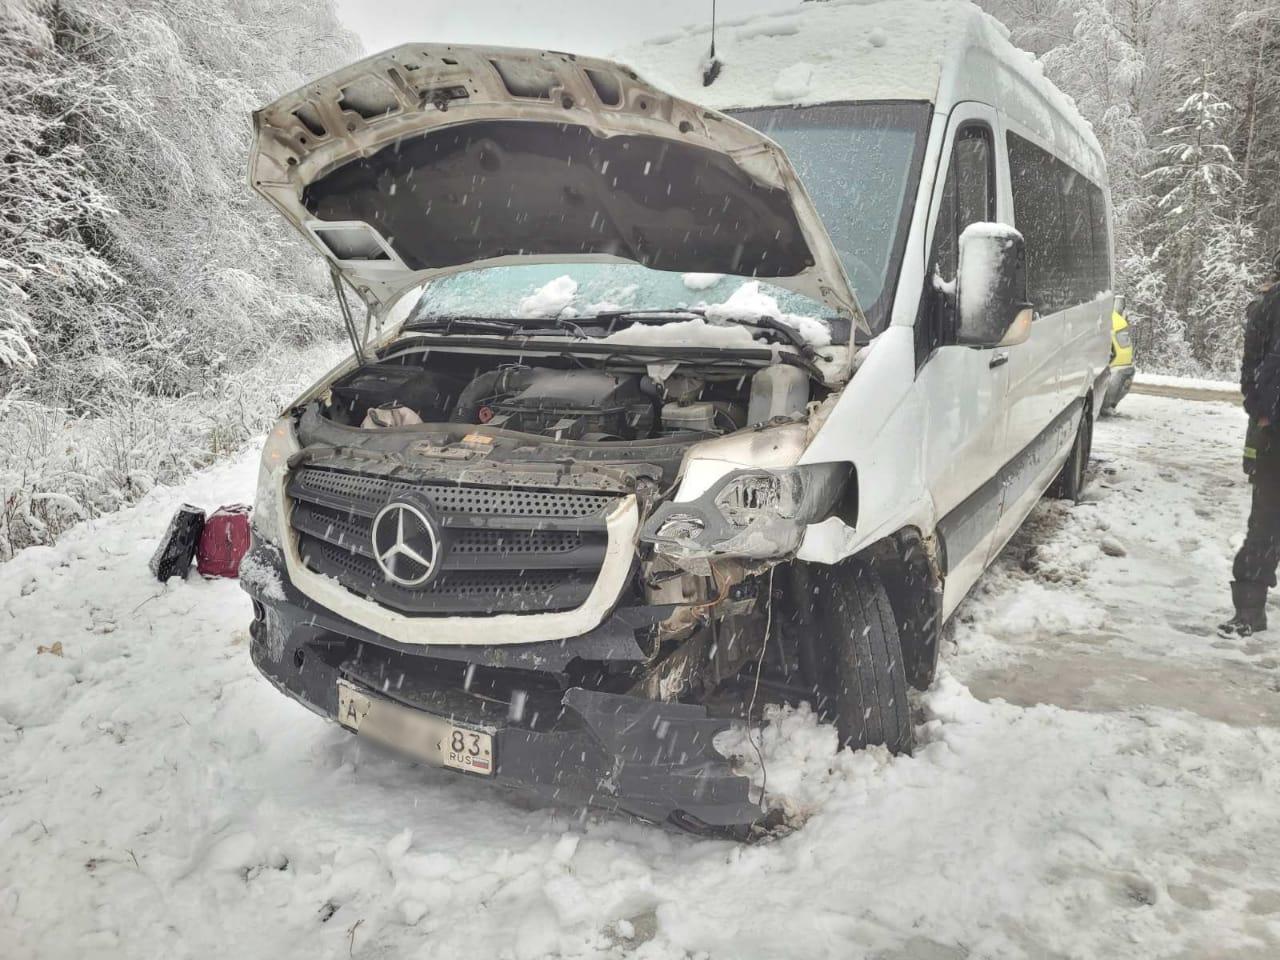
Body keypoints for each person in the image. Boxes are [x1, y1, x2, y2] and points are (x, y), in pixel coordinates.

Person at [1220, 251, 1280, 637]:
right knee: (1266, 521)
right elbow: (1253, 363)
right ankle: (1249, 610)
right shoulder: (1269, 305)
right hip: (1273, 431)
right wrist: (1260, 410)